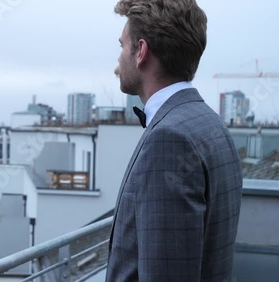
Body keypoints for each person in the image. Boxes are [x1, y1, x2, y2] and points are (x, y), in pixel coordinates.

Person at [107, 0, 243, 281]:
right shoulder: (210, 122)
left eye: (121, 46)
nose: (118, 60)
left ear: (141, 52)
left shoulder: (169, 139)